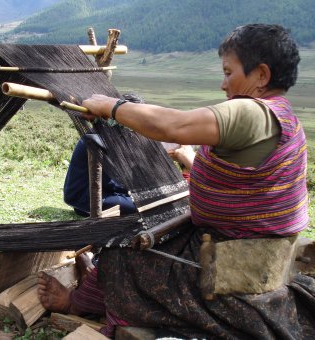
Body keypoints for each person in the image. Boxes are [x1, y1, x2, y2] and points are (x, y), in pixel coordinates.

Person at [38, 24, 315, 338]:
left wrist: (111, 107)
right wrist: (188, 159)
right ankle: (95, 293)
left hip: (236, 266)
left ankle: (78, 302)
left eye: (228, 72)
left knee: (119, 253)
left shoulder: (254, 113)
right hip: (260, 255)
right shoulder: (286, 117)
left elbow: (176, 125)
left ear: (261, 75)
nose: (224, 85)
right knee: (146, 234)